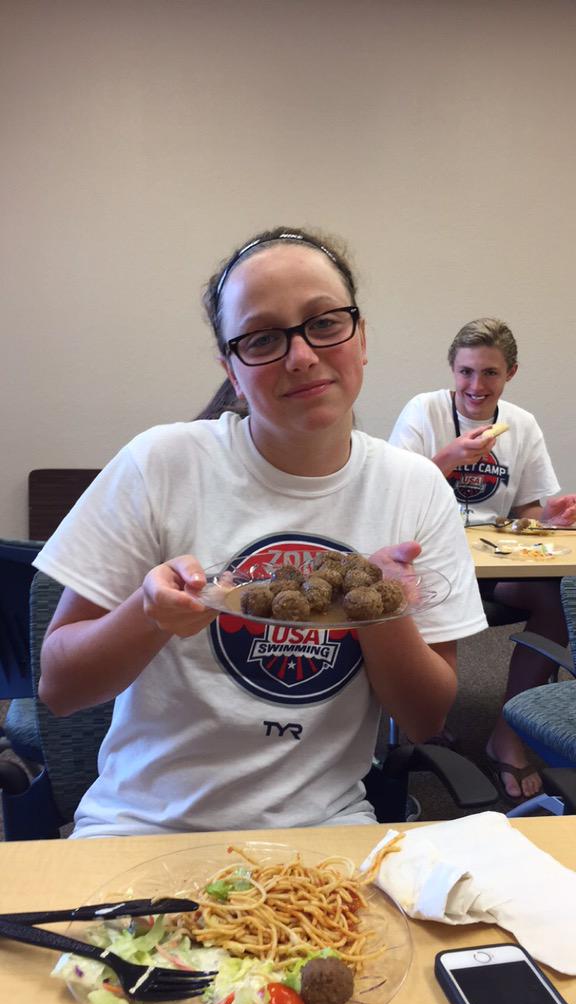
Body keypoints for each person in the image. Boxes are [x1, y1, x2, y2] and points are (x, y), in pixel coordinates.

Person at [33, 227, 486, 838]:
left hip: (324, 829)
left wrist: (379, 608)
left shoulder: (416, 487)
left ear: (361, 337)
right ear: (231, 368)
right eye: (263, 338)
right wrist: (149, 615)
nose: (301, 356)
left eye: (324, 323)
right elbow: (60, 689)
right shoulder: (160, 464)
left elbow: (425, 720)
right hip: (142, 823)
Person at [389, 316, 576, 801]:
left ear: (510, 373)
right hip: (433, 558)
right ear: (452, 370)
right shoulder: (424, 411)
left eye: (490, 373)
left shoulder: (522, 423)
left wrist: (548, 520)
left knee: (556, 600)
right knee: (422, 592)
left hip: (494, 563)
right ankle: (425, 721)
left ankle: (507, 736)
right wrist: (446, 460)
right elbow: (393, 499)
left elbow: (527, 512)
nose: (476, 386)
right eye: (466, 372)